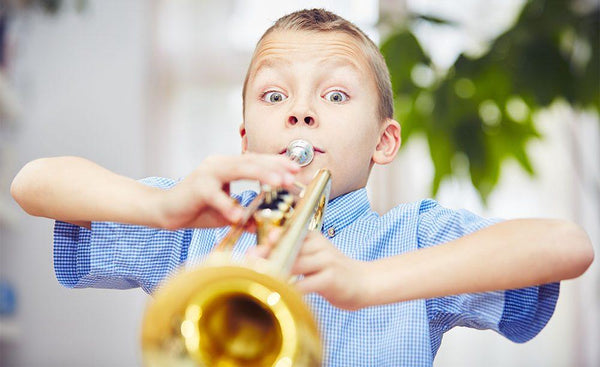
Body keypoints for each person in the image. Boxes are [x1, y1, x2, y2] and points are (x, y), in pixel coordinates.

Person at [10, 8, 594, 367]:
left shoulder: (412, 235)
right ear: (246, 137)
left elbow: (566, 245)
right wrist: (160, 207)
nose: (301, 113)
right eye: (274, 95)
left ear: (383, 142)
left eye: (335, 95)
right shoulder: (199, 223)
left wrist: (367, 281)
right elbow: (32, 183)